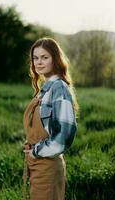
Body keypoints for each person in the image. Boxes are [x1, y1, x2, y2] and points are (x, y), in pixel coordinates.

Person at [23, 37, 78, 200]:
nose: (39, 62)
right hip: (37, 166)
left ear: (55, 59)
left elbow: (63, 138)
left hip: (47, 165)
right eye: (35, 58)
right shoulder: (44, 90)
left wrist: (36, 151)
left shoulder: (59, 89)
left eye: (45, 57)